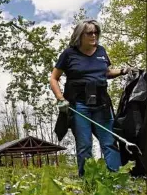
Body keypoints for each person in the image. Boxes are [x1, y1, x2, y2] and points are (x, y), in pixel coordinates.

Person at [50, 19, 136, 177]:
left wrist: (124, 70)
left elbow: (107, 72)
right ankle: (88, 180)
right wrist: (60, 98)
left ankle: (117, 179)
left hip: (101, 104)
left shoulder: (101, 51)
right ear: (80, 35)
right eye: (89, 32)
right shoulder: (69, 54)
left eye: (96, 32)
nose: (94, 35)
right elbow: (53, 78)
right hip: (79, 105)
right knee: (84, 145)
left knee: (110, 142)